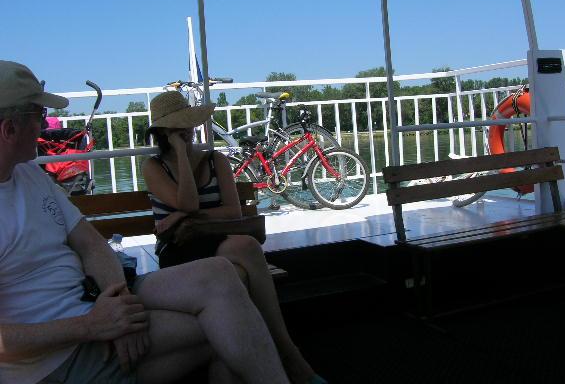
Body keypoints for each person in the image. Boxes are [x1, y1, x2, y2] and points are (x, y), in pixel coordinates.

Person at [0, 60, 291, 384]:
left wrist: (118, 303)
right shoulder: (153, 166)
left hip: (94, 300)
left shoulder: (30, 176)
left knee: (221, 277)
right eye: (38, 115)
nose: (45, 125)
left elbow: (92, 245)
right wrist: (92, 326)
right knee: (225, 329)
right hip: (59, 354)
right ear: (9, 129)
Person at [143, 91, 324, 384]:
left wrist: (184, 217)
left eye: (188, 123)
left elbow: (232, 212)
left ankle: (265, 356)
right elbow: (188, 202)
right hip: (178, 251)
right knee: (245, 254)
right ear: (164, 132)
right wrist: (181, 156)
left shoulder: (216, 160)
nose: (187, 130)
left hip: (214, 241)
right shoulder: (154, 167)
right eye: (178, 126)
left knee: (245, 250)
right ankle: (288, 355)